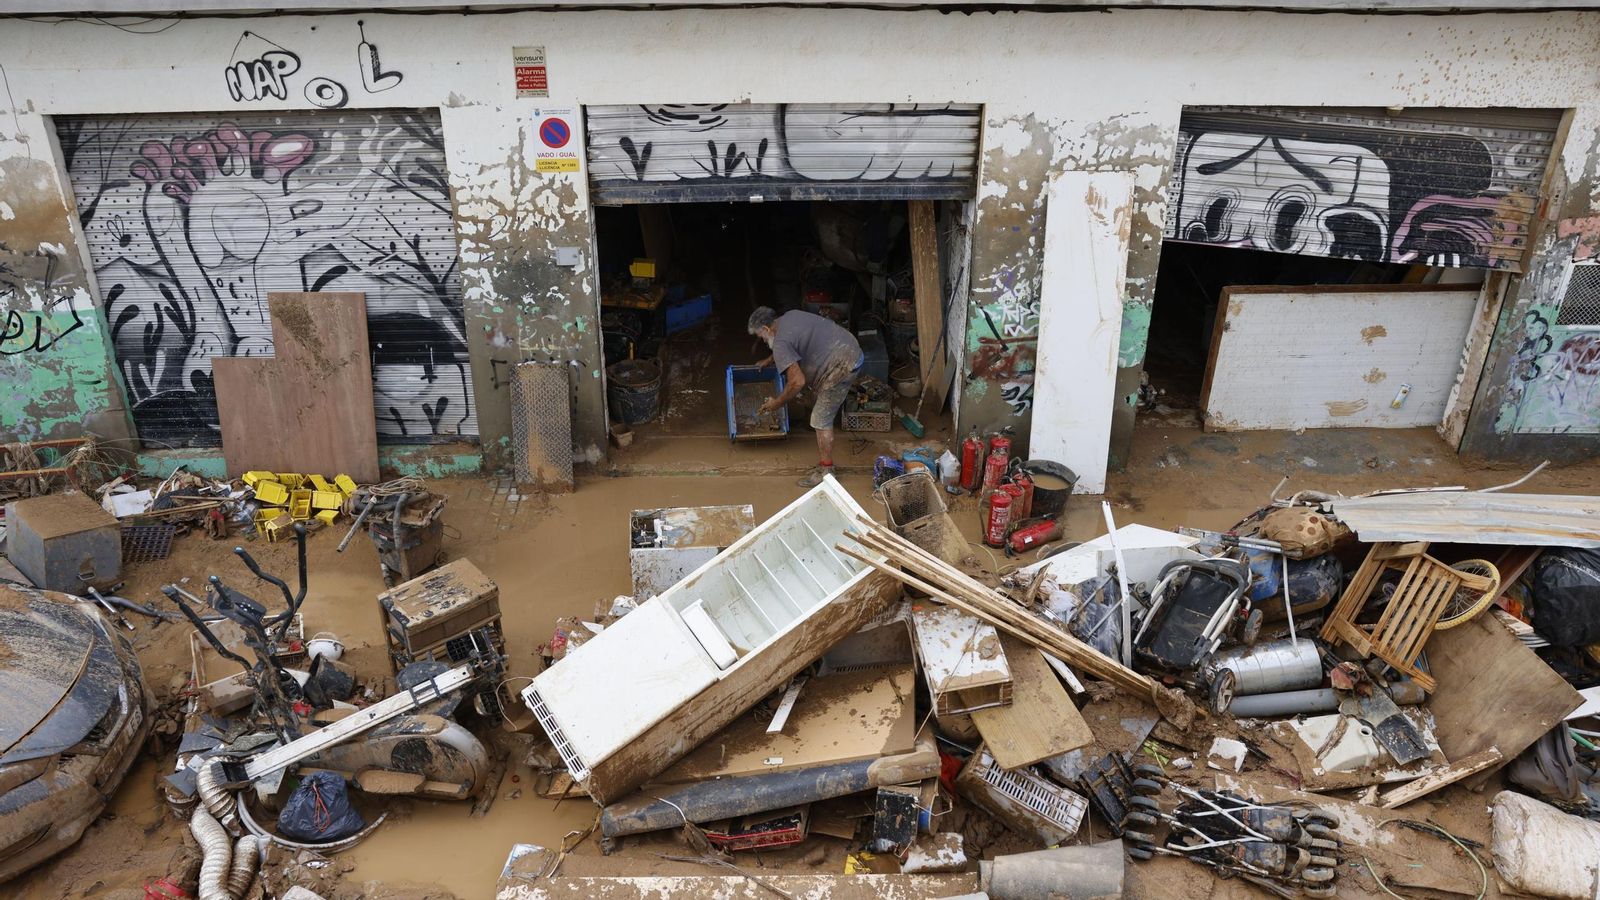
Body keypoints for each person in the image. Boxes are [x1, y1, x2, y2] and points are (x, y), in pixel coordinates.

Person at [748, 306, 864, 487]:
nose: (762, 340)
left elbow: (797, 382)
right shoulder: (790, 316)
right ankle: (816, 421)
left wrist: (777, 403)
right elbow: (792, 342)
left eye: (760, 336)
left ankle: (826, 470)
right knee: (811, 396)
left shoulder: (780, 344)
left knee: (820, 420)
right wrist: (771, 360)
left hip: (842, 366)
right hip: (848, 346)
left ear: (766, 329)